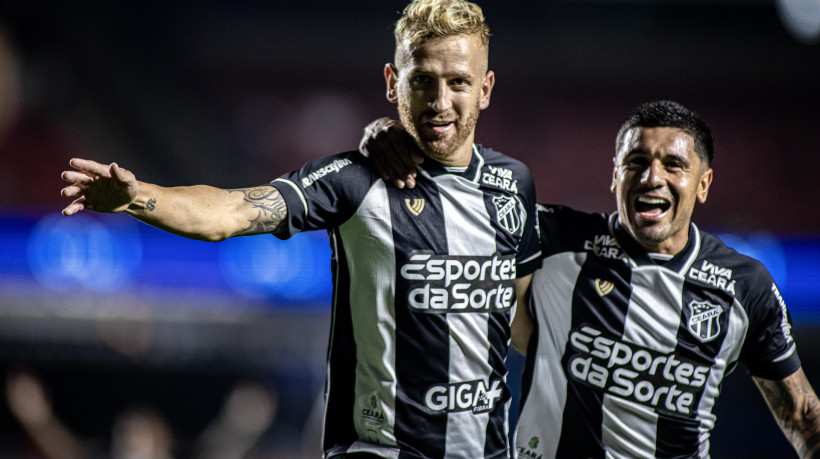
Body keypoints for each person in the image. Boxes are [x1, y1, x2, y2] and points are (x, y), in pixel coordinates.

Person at [59, 0, 541, 457]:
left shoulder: (513, 184)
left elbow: (523, 322)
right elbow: (227, 213)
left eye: (459, 82)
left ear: (486, 88)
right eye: (423, 81)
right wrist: (139, 197)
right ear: (393, 82)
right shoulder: (355, 180)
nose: (440, 101)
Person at [361, 100, 820, 458]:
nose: (652, 177)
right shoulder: (555, 239)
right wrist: (387, 134)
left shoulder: (745, 286)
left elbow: (802, 416)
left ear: (704, 183)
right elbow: (450, 194)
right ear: (614, 175)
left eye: (674, 165)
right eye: (636, 161)